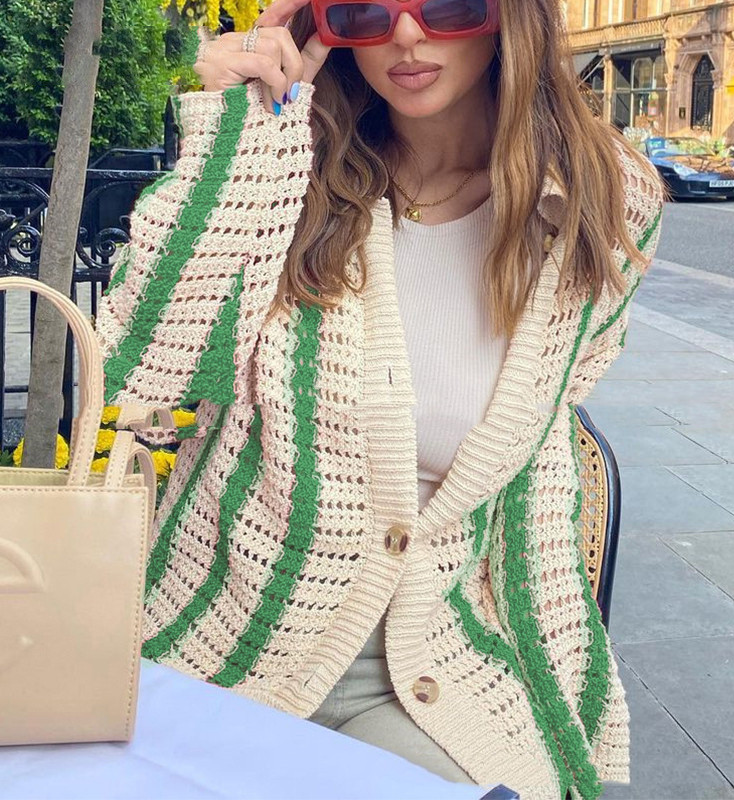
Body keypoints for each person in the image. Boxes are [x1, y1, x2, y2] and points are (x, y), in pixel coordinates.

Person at [95, 0, 664, 797]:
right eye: (362, 10)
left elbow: (558, 403)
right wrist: (240, 134)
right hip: (226, 631)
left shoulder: (600, 200)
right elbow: (139, 372)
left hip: (440, 657)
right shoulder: (286, 160)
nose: (405, 35)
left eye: (447, 4)